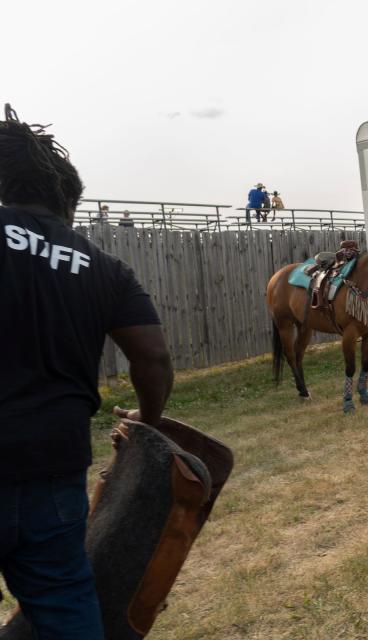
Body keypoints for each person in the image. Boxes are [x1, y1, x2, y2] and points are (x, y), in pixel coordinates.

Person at [0, 105, 174, 639]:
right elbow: (153, 359)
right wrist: (146, 423)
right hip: (53, 469)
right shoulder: (107, 268)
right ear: (66, 203)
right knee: (65, 605)